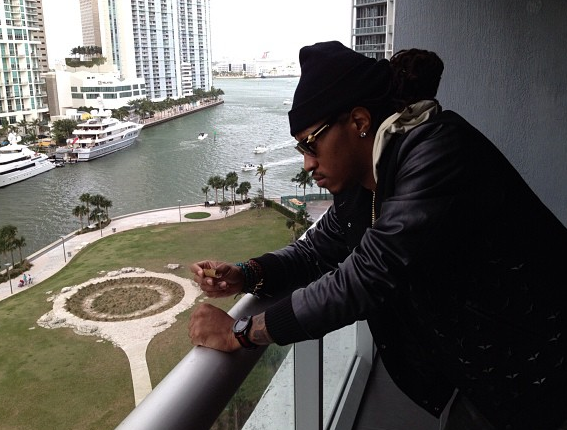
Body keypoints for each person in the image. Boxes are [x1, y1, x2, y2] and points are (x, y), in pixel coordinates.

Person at [189, 41, 567, 430]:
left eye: (311, 143)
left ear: (358, 121)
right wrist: (246, 274)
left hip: (543, 374)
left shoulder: (437, 152)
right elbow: (315, 252)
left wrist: (242, 332)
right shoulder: (365, 184)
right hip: (480, 376)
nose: (307, 163)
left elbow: (367, 276)